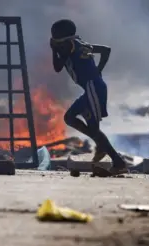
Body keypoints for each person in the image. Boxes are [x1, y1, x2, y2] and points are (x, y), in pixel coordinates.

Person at [49, 19, 126, 174]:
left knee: (93, 129)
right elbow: (106, 50)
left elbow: (57, 67)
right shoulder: (79, 43)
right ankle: (101, 146)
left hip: (93, 89)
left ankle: (117, 162)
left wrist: (53, 50)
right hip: (93, 88)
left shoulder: (67, 46)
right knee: (70, 118)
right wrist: (98, 70)